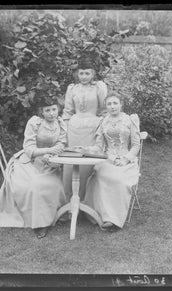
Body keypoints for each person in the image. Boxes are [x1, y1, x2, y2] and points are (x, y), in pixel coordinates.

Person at [0, 98, 67, 239]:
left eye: (54, 109)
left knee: (55, 184)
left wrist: (51, 154)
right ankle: (39, 224)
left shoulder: (61, 123)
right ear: (41, 112)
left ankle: (55, 215)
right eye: (47, 110)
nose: (51, 113)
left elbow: (61, 145)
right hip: (29, 163)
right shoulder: (35, 122)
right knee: (36, 185)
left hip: (49, 162)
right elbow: (29, 149)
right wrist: (47, 151)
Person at [83, 93, 140, 231]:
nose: (112, 106)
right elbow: (99, 146)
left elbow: (136, 145)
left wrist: (126, 159)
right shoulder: (103, 121)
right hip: (108, 160)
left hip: (126, 160)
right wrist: (85, 148)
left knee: (119, 180)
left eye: (115, 103)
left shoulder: (129, 120)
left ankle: (113, 219)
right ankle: (98, 215)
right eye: (109, 104)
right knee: (99, 175)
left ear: (121, 104)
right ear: (106, 106)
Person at [62, 58, 108, 200]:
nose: (83, 77)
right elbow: (68, 111)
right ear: (77, 74)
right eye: (81, 73)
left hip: (92, 127)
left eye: (87, 73)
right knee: (71, 161)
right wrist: (65, 131)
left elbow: (104, 109)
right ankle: (69, 199)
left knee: (87, 162)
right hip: (74, 128)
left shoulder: (98, 87)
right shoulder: (72, 88)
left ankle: (86, 201)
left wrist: (101, 126)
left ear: (93, 74)